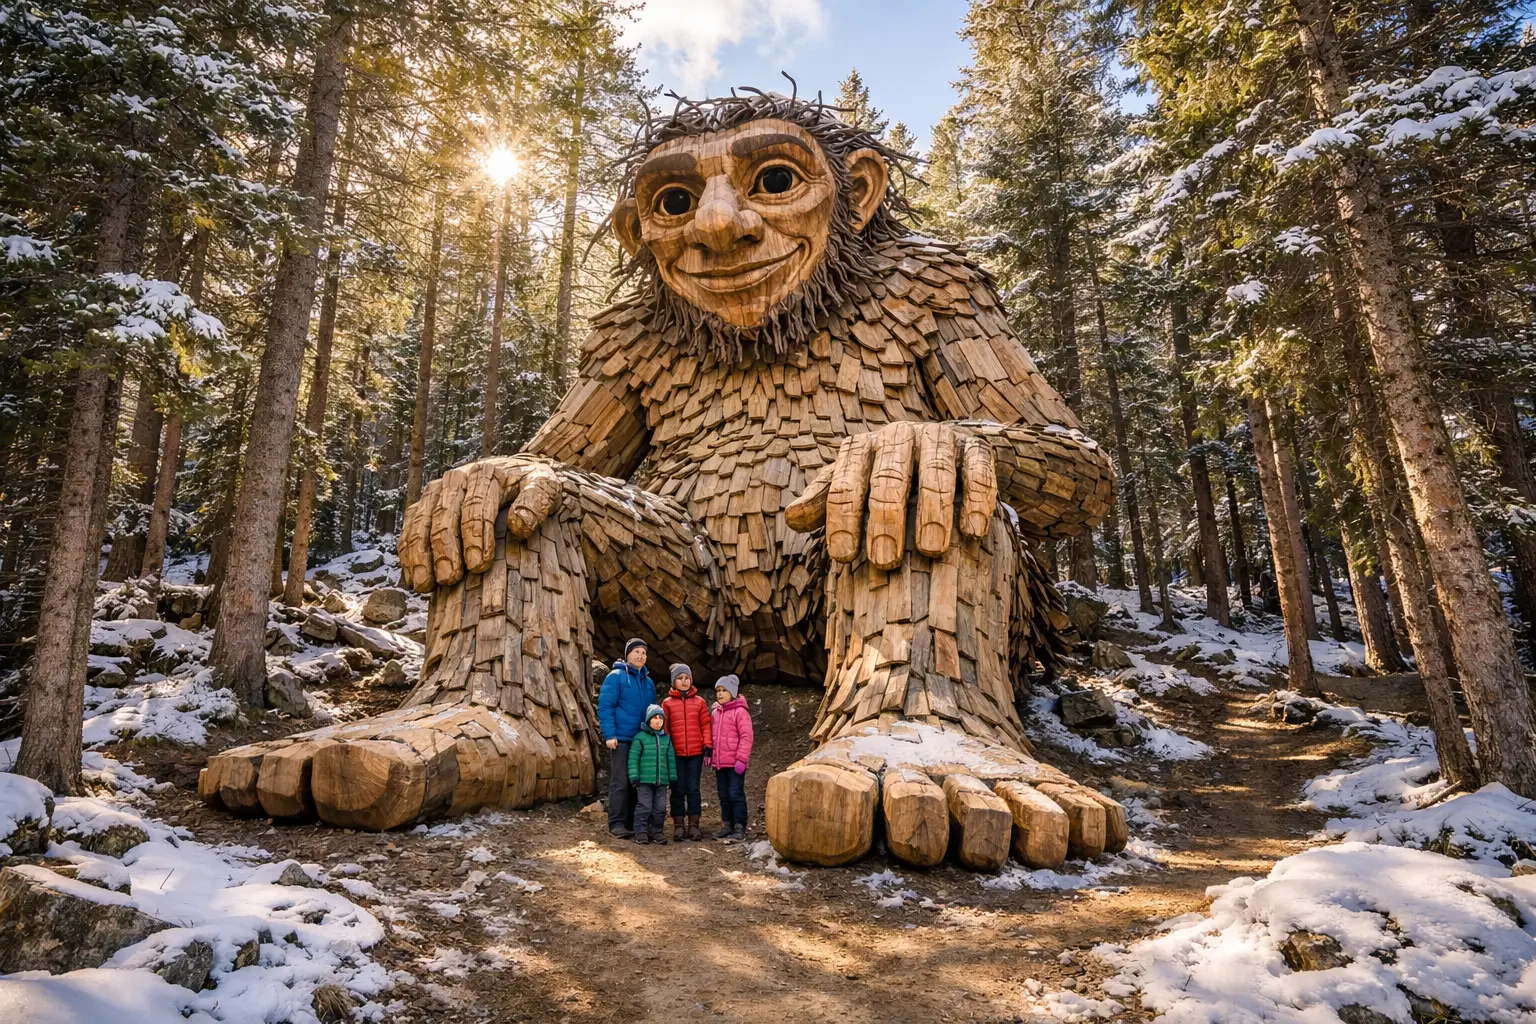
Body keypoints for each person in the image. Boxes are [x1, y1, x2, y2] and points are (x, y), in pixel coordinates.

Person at [598, 638, 655, 839]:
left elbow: (652, 712)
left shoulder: (648, 682)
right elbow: (605, 707)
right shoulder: (615, 677)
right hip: (621, 738)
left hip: (641, 740)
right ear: (628, 654)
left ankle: (633, 821)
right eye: (636, 652)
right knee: (620, 781)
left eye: (644, 653)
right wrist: (610, 734)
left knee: (636, 782)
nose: (640, 656)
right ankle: (617, 822)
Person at [662, 664, 711, 841]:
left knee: (693, 789)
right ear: (674, 682)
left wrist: (707, 744)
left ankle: (694, 825)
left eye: (687, 678)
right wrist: (666, 748)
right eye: (680, 678)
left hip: (695, 753)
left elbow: (705, 724)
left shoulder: (699, 702)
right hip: (676, 754)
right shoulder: (667, 703)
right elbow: (664, 728)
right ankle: (678, 825)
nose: (684, 681)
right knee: (677, 789)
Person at [708, 674, 753, 841]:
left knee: (735, 794)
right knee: (723, 794)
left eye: (724, 690)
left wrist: (742, 759)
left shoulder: (740, 712)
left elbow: (746, 736)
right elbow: (712, 737)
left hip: (735, 763)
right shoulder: (715, 713)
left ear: (732, 692)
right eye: (718, 690)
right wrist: (710, 754)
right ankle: (727, 824)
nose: (720, 694)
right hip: (720, 763)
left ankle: (740, 826)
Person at [627, 704, 678, 845]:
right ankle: (641, 832)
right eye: (654, 718)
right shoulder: (640, 738)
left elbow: (670, 759)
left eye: (660, 718)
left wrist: (672, 776)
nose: (658, 721)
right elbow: (633, 758)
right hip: (644, 780)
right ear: (648, 720)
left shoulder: (666, 739)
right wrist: (634, 776)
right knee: (644, 806)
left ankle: (657, 832)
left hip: (662, 781)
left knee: (660, 807)